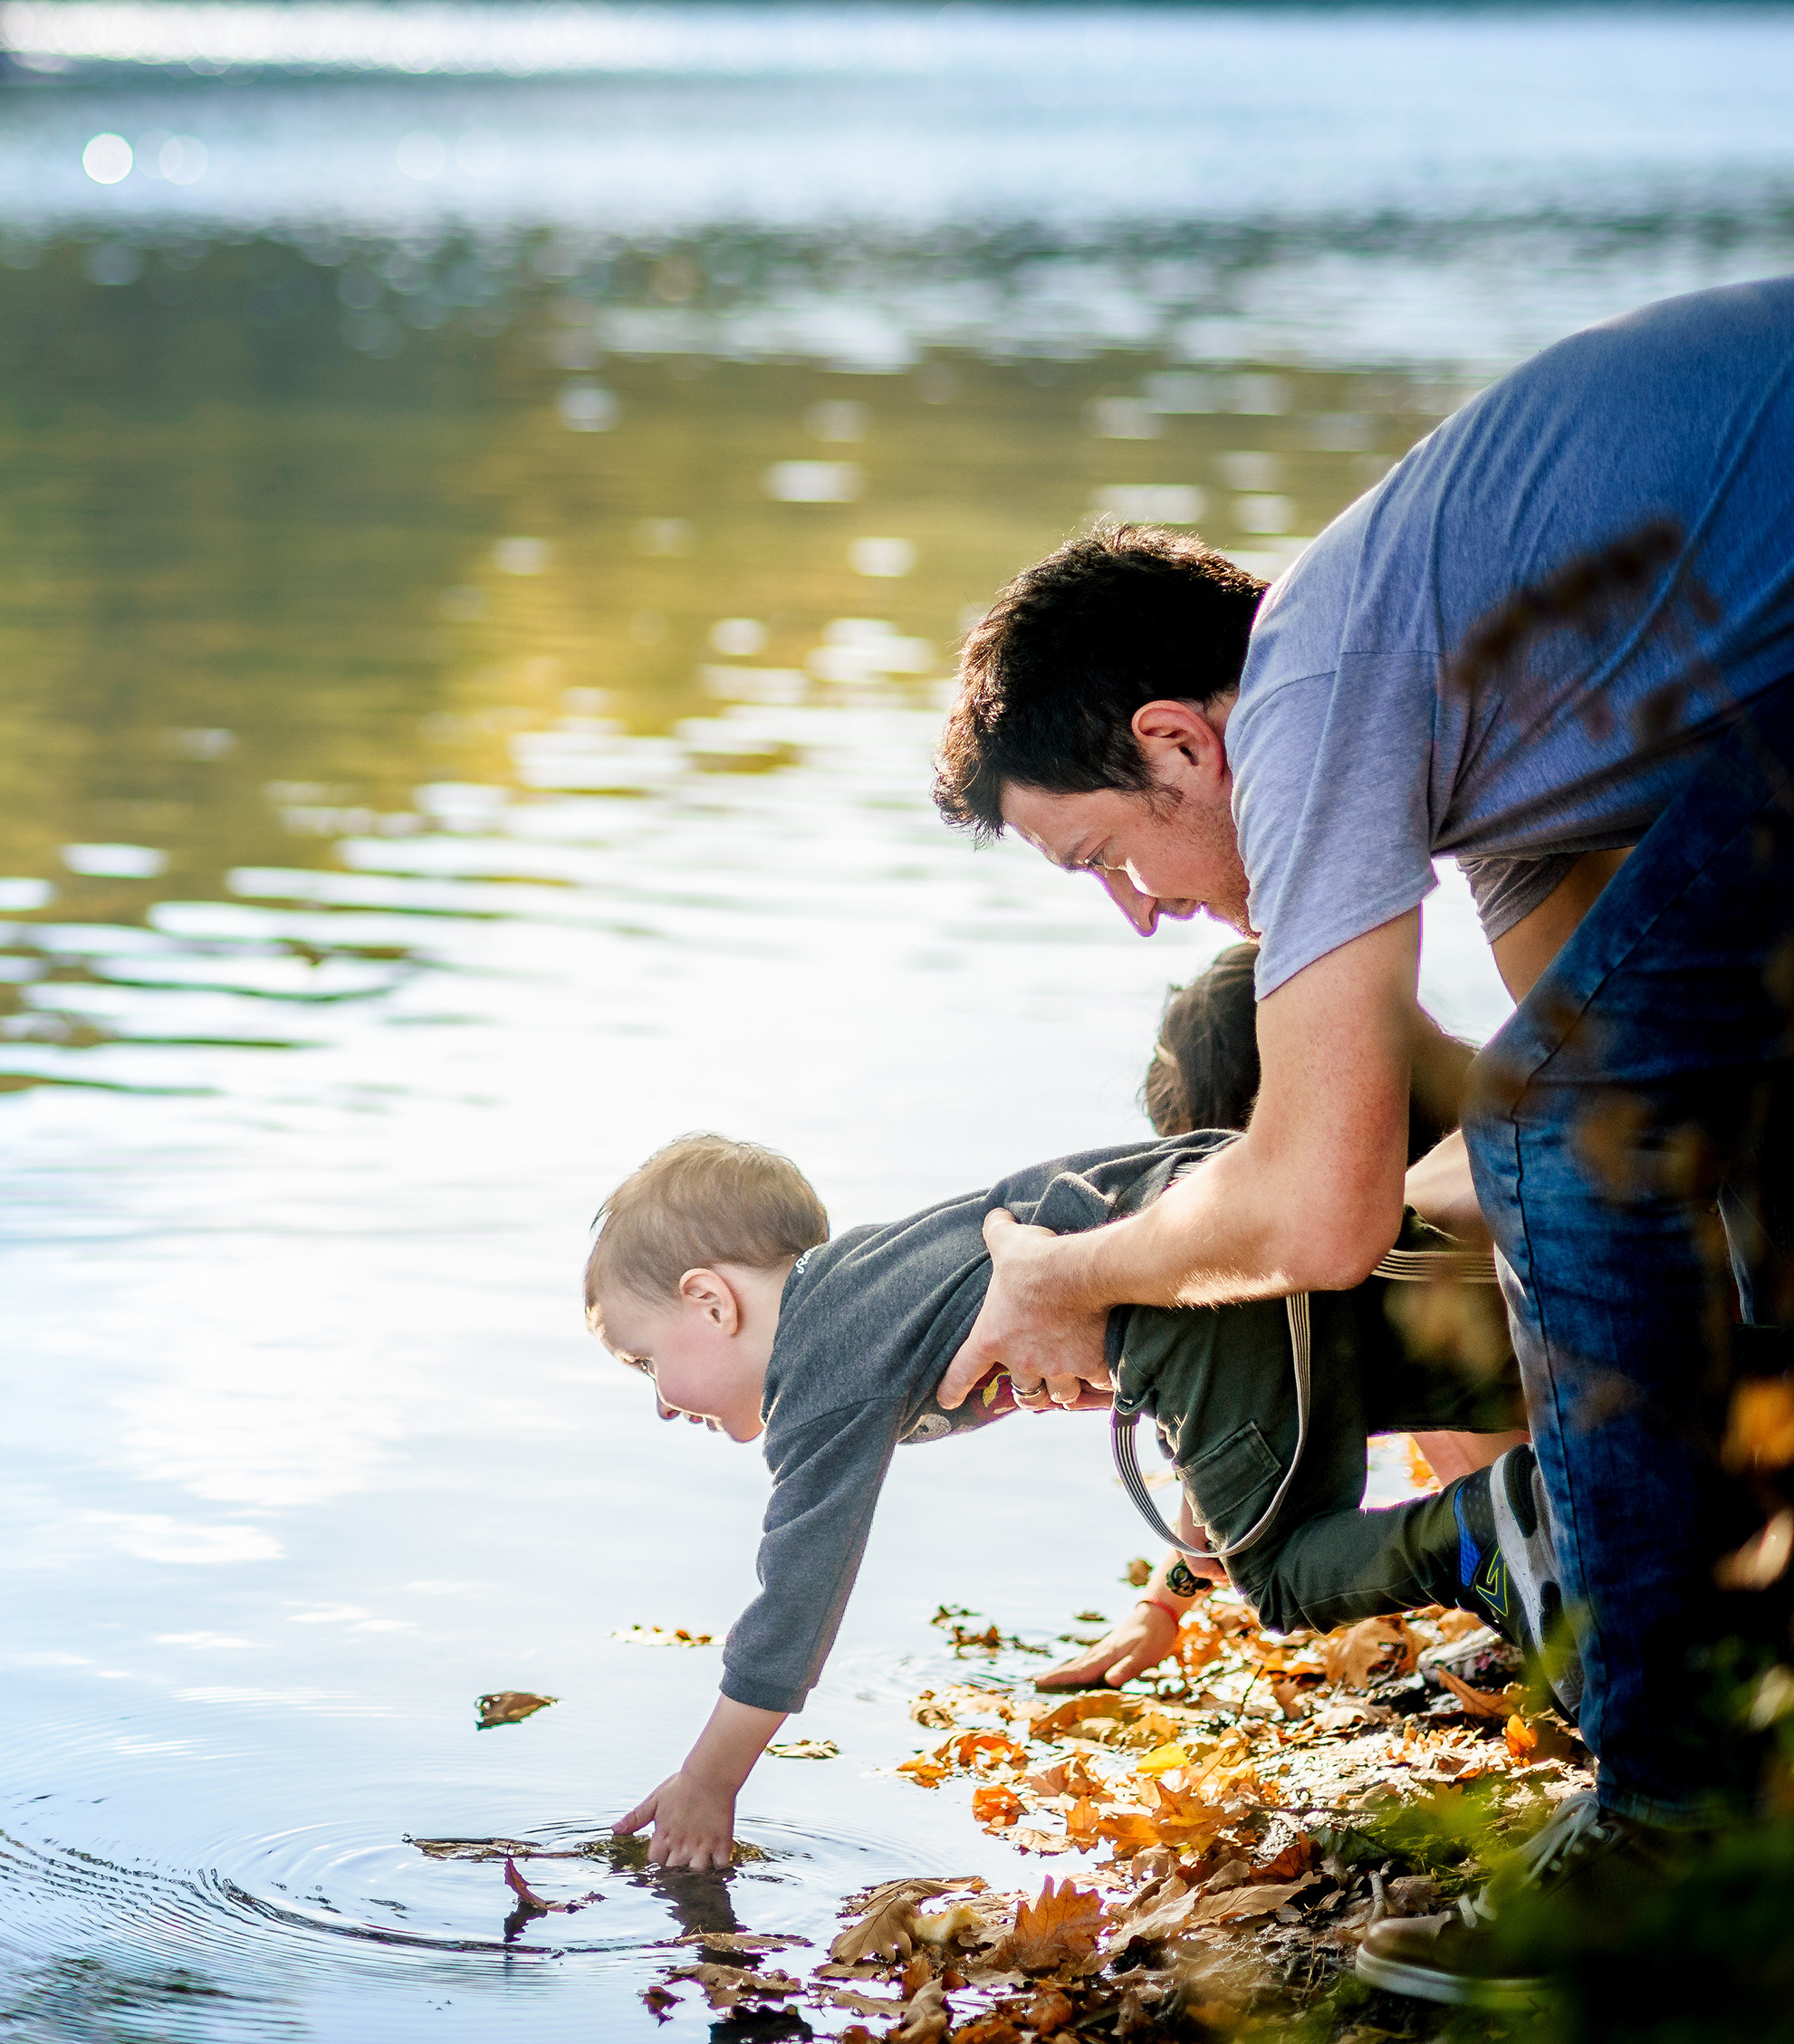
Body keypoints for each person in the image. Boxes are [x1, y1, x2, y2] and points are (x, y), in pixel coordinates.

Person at [930, 276, 1794, 2001]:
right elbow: (1617, 1151)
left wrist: (1071, 1273)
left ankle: (1679, 1822)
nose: (1136, 912)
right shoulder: (1501, 737)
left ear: (1182, 743)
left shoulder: (1317, 678)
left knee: (1553, 1126)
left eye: (1104, 855)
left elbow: (1349, 1205)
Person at [590, 1130, 1538, 1870]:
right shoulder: (868, 1285)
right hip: (1210, 1223)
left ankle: (1486, 1526)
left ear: (712, 1301)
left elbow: (795, 1594)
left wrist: (709, 1784)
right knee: (1446, 1381)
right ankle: (1581, 1457)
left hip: (1193, 1282)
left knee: (1282, 1576)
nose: (661, 1403)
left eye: (644, 1362)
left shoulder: (820, 1370)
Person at [1040, 944, 1532, 1693]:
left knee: (1382, 1361)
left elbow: (1256, 1393)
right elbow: (1245, 1402)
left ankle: (1550, 1586)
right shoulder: (1484, 1112)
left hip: (1611, 1446)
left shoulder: (1389, 1237)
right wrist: (1165, 1601)